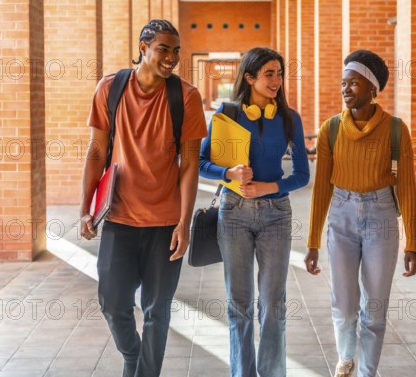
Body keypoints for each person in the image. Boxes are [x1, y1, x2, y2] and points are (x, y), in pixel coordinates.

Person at [79, 19, 207, 377]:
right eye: (164, 49)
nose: (172, 58)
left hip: (165, 223)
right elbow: (95, 151)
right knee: (112, 302)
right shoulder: (111, 88)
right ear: (143, 48)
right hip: (119, 217)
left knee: (156, 311)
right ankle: (133, 356)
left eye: (176, 51)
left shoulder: (187, 96)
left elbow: (189, 165)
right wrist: (86, 209)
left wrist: (184, 221)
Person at [304, 50, 416, 377]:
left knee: (374, 309)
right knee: (343, 303)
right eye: (343, 83)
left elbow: (408, 189)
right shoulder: (330, 130)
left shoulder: (396, 130)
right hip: (341, 217)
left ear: (372, 88)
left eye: (353, 83)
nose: (345, 89)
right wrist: (312, 242)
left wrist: (413, 242)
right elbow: (321, 190)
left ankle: (367, 371)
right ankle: (346, 358)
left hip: (381, 217)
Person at [199, 47, 310, 377]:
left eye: (279, 73)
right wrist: (228, 174)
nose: (276, 80)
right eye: (269, 74)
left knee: (274, 305)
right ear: (249, 77)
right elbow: (202, 164)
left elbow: (302, 175)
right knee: (239, 304)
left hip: (276, 214)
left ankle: (272, 373)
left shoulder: (290, 119)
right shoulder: (228, 113)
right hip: (233, 214)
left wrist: (268, 188)